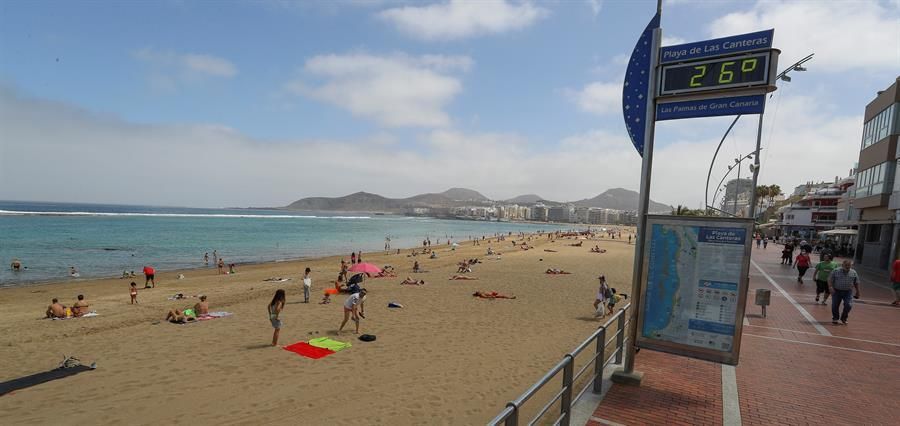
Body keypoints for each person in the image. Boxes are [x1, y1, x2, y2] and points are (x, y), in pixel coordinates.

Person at [828, 260, 860, 325]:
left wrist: (858, 291)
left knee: (848, 305)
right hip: (836, 291)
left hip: (848, 292)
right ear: (842, 265)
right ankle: (835, 318)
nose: (847, 267)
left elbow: (856, 282)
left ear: (851, 266)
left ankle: (844, 318)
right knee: (835, 305)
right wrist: (830, 287)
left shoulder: (853, 272)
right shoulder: (836, 271)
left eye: (849, 265)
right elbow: (830, 279)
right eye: (846, 265)